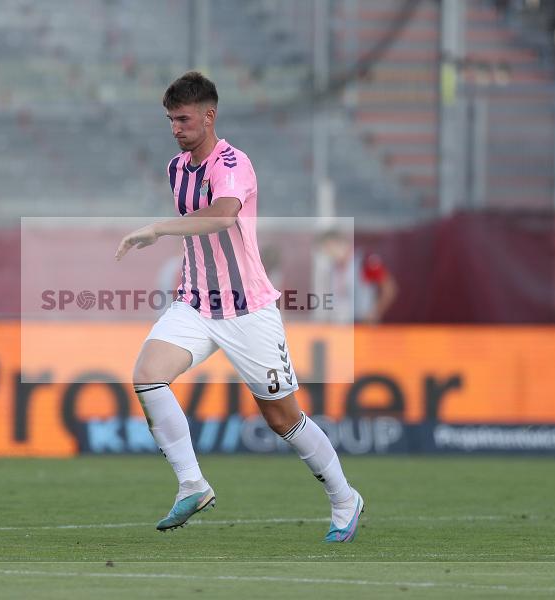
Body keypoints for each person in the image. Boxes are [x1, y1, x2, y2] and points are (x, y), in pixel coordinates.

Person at [114, 72, 363, 542]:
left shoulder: (232, 163)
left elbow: (225, 213)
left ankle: (345, 499)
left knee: (282, 418)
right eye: (170, 120)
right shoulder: (176, 168)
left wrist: (160, 228)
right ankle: (192, 484)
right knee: (147, 374)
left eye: (183, 119)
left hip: (248, 310)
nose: (175, 128)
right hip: (196, 304)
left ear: (209, 117)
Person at [313, 229, 397, 324]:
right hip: (342, 324)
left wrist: (374, 312)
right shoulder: (334, 268)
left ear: (335, 244)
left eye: (328, 250)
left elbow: (389, 289)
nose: (328, 255)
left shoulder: (364, 260)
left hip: (363, 323)